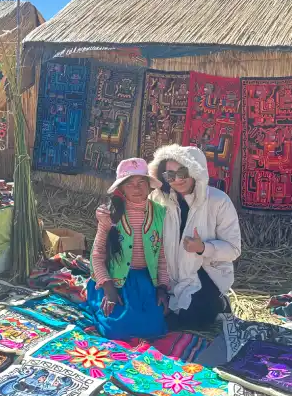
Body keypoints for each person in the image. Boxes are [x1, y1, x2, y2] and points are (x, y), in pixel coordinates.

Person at [149, 145, 241, 329]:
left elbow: (233, 250)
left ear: (195, 170)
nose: (178, 180)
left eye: (182, 172)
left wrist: (203, 248)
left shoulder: (219, 201)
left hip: (205, 273)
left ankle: (219, 302)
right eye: (170, 175)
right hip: (168, 275)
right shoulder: (158, 200)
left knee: (190, 322)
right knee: (150, 315)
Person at [87, 157, 170, 340]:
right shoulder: (109, 215)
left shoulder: (160, 214)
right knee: (115, 328)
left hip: (145, 280)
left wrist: (162, 288)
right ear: (121, 188)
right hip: (115, 280)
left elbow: (162, 256)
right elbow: (97, 254)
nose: (137, 188)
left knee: (155, 327)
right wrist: (108, 289)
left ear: (149, 186)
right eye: (130, 184)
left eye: (141, 182)